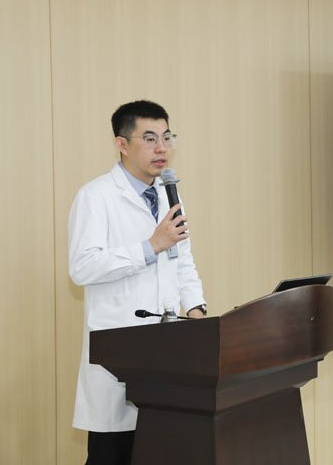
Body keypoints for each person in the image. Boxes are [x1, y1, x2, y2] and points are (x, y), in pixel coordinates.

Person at [68, 100, 207, 465]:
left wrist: (197, 312)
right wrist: (149, 247)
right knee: (112, 456)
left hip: (167, 354)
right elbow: (82, 267)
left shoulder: (168, 193)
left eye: (167, 137)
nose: (162, 148)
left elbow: (182, 261)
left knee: (160, 452)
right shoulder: (96, 196)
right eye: (149, 139)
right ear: (122, 144)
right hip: (119, 354)